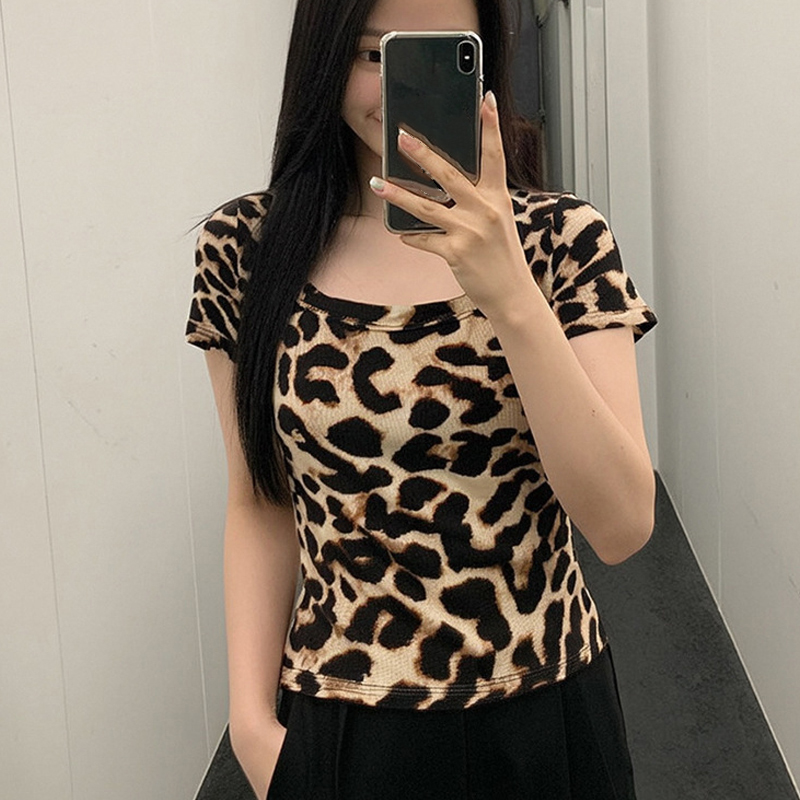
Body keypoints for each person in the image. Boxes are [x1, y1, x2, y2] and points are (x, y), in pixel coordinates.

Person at [186, 0, 658, 797]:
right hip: (341, 713)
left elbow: (622, 526)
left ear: (483, 65)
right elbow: (258, 499)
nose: (398, 88)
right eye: (374, 55)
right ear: (322, 60)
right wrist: (250, 724)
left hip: (542, 705)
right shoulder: (245, 249)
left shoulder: (562, 240)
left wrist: (509, 290)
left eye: (443, 54)